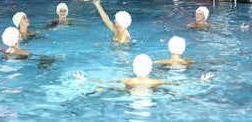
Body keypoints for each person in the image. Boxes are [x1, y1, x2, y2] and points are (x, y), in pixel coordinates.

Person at [74, 53, 214, 88]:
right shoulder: (156, 81)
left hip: (130, 91)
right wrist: (200, 80)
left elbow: (105, 82)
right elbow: (179, 84)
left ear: (134, 68)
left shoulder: (127, 80)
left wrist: (85, 79)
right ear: (149, 68)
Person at [153, 36, 229, 66]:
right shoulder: (188, 61)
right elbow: (207, 62)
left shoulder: (165, 62)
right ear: (183, 49)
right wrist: (223, 61)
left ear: (169, 49)